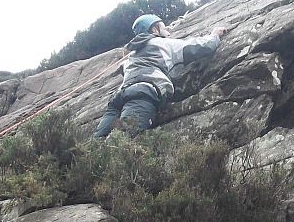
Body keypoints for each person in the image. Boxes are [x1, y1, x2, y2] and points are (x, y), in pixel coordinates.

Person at [93, 14, 227, 138]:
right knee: (126, 141)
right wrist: (214, 35)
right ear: (155, 30)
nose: (169, 32)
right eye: (164, 28)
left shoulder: (132, 54)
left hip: (118, 98)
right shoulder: (162, 43)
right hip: (143, 93)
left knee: (96, 145)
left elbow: (123, 69)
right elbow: (201, 47)